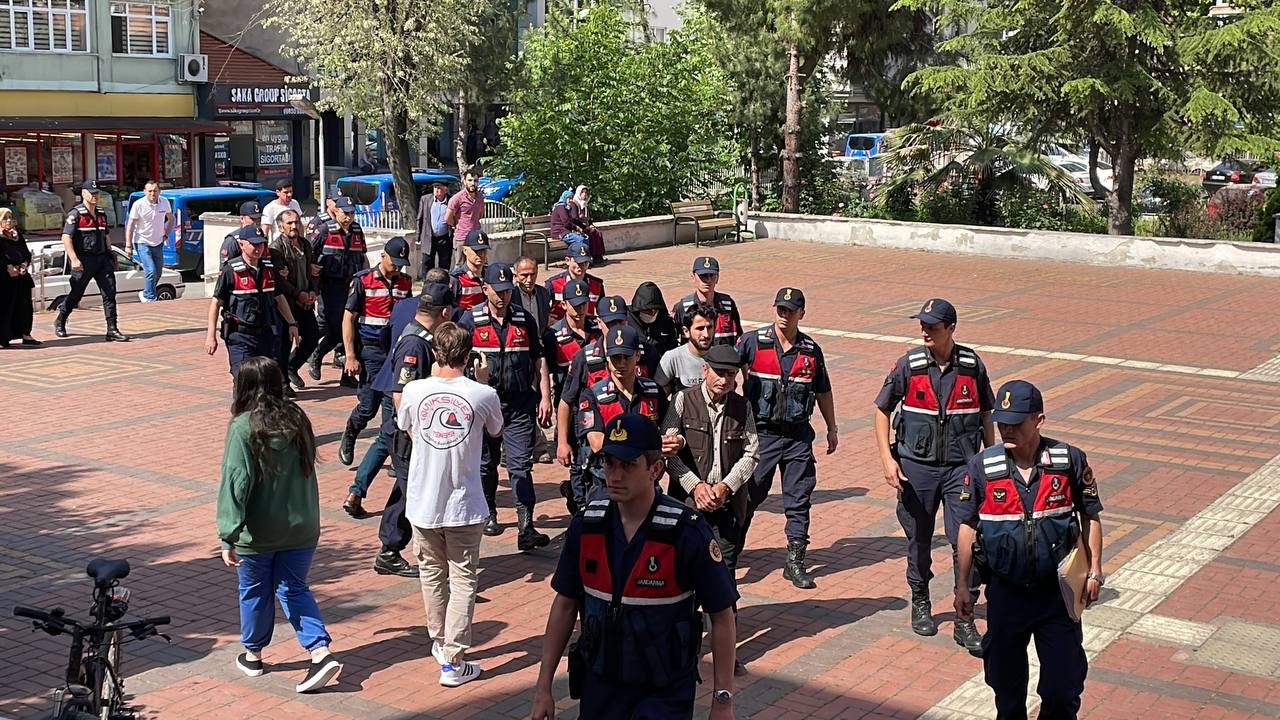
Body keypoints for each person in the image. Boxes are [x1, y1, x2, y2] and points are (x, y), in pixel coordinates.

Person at [530, 413, 738, 720]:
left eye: (627, 465)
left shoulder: (686, 532)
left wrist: (722, 701)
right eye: (609, 463)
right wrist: (543, 686)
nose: (614, 476)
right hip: (600, 689)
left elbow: (721, 617)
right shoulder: (587, 526)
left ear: (655, 469)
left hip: (663, 695)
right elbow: (565, 604)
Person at [953, 380, 1105, 720]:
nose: (1006, 429)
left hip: (1057, 596)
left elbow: (1090, 516)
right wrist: (963, 584)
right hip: (1006, 594)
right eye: (1002, 423)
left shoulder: (1068, 461)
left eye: (1015, 423)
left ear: (1039, 420)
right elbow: (967, 526)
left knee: (1063, 686)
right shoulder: (982, 467)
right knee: (1006, 688)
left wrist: (1095, 570)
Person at [215, 356, 343, 693]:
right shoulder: (297, 418)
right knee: (294, 588)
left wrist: (228, 534)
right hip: (302, 526)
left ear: (242, 386)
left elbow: (235, 483)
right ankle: (319, 650)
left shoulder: (243, 427)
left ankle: (253, 655)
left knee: (254, 590)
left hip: (258, 532)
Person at [873, 298, 993, 654]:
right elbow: (881, 410)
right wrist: (887, 460)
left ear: (951, 328)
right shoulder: (908, 365)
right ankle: (920, 598)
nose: (925, 331)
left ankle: (964, 618)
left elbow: (986, 413)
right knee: (919, 538)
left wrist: (991, 460)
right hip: (917, 469)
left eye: (933, 326)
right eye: (922, 324)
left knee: (966, 542)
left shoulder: (971, 365)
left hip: (961, 469)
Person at [399, 321, 504, 687]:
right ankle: (453, 658)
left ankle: (441, 643)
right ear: (469, 355)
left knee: (431, 574)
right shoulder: (482, 394)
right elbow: (496, 430)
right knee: (462, 578)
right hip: (464, 504)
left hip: (424, 502)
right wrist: (484, 380)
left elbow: (406, 425)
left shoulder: (414, 390)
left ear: (435, 353)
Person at [661, 345, 757, 676]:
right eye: (719, 373)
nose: (725, 380)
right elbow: (668, 452)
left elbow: (752, 453)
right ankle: (682, 651)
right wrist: (695, 486)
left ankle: (726, 654)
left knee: (724, 581)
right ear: (705, 371)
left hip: (727, 509)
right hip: (687, 508)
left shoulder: (743, 407)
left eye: (731, 374)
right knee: (682, 579)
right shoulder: (681, 401)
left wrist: (725, 487)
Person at [737, 287, 837, 590]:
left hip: (797, 437)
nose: (784, 315)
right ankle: (731, 549)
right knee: (749, 495)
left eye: (790, 311)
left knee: (799, 499)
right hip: (762, 435)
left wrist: (832, 427)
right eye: (780, 309)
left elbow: (823, 390)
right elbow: (726, 370)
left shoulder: (811, 350)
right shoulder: (753, 342)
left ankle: (795, 561)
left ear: (801, 314)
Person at [363, 283, 457, 578]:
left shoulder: (422, 337)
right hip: (408, 436)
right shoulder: (415, 344)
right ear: (445, 312)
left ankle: (389, 549)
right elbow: (401, 394)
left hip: (412, 433)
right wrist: (416, 434)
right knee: (417, 495)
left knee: (405, 493)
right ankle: (420, 558)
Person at [458, 263, 553, 548]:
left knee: (520, 465)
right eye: (497, 291)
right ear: (485, 288)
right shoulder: (470, 319)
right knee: (486, 464)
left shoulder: (524, 319)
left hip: (519, 404)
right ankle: (490, 513)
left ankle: (526, 527)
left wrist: (545, 396)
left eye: (507, 291)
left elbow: (539, 358)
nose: (503, 297)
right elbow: (456, 361)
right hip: (484, 406)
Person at [346, 270, 452, 518]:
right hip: (404, 391)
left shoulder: (404, 306)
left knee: (386, 439)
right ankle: (362, 496)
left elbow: (385, 338)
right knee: (393, 442)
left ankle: (357, 491)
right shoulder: (430, 322)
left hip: (391, 378)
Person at [336, 237, 414, 466]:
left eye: (401, 264)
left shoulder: (405, 282)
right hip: (371, 351)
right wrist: (350, 356)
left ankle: (394, 455)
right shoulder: (363, 280)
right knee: (368, 406)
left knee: (394, 406)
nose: (397, 268)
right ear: (382, 256)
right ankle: (351, 432)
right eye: (394, 262)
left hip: (395, 351)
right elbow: (348, 319)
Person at [578, 325, 666, 499]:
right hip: (607, 484)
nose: (621, 364)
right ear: (607, 357)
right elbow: (596, 442)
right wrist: (646, 443)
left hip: (645, 483)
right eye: (616, 358)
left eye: (627, 357)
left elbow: (667, 428)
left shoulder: (653, 391)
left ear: (637, 355)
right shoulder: (592, 395)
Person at [205, 226, 299, 377]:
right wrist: (211, 336)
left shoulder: (269, 269)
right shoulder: (231, 270)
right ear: (242, 244)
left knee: (266, 379)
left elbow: (279, 297)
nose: (258, 248)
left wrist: (292, 323)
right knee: (243, 378)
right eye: (253, 244)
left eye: (261, 244)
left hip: (266, 335)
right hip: (240, 335)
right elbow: (216, 303)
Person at [545, 278, 601, 512]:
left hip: (597, 407)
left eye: (583, 304)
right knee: (577, 463)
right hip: (571, 407)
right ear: (564, 305)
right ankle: (578, 504)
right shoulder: (553, 335)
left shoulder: (598, 329)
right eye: (574, 305)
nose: (579, 310)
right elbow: (545, 369)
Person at [53, 180, 128, 342]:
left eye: (97, 193)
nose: (95, 196)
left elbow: (105, 235)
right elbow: (66, 237)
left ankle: (112, 329)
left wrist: (111, 254)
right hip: (84, 260)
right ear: (83, 194)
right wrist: (74, 259)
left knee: (109, 293)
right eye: (92, 193)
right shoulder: (76, 214)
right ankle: (61, 318)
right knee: (76, 294)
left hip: (102, 259)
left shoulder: (101, 213)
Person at [307, 196, 368, 383]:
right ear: (336, 211)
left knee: (352, 329)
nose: (348, 217)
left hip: (351, 285)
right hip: (330, 286)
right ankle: (316, 354)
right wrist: (311, 268)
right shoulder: (325, 229)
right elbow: (308, 252)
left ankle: (347, 376)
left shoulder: (357, 230)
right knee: (337, 329)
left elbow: (363, 256)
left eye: (352, 213)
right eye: (345, 213)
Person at [269, 210, 321, 393]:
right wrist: (298, 294)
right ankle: (283, 383)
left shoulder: (305, 244)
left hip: (305, 302)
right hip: (287, 303)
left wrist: (313, 290)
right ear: (281, 227)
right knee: (285, 343)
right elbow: (279, 281)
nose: (294, 226)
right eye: (289, 223)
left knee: (312, 337)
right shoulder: (276, 249)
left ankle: (292, 366)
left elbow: (313, 270)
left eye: (296, 222)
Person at [672, 256, 742, 347]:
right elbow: (674, 341)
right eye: (703, 276)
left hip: (722, 355)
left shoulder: (728, 304)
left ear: (717, 278)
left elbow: (739, 336)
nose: (708, 280)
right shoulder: (683, 307)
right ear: (693, 277)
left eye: (712, 275)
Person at [123, 180, 173, 303]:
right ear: (144, 192)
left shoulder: (164, 202)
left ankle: (146, 292)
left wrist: (166, 234)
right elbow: (130, 225)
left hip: (158, 242)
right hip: (142, 242)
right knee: (150, 270)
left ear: (159, 192)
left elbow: (171, 219)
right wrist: (128, 245)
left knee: (158, 272)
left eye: (155, 191)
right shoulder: (138, 205)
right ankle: (150, 298)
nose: (152, 194)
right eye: (149, 191)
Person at [656, 301, 716, 396]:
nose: (706, 334)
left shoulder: (720, 357)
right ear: (686, 331)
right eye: (700, 328)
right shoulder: (673, 358)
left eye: (710, 327)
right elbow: (657, 395)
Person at [0, 208, 36, 348]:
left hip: (21, 278)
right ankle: (3, 338)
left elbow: (26, 253)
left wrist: (24, 264)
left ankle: (26, 334)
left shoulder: (16, 235)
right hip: (4, 278)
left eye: (10, 217)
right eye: (5, 218)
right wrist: (7, 266)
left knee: (24, 307)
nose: (9, 221)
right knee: (5, 308)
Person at [544, 243, 604, 323]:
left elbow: (603, 311)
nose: (582, 265)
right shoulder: (553, 283)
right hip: (559, 326)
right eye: (578, 262)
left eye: (585, 262)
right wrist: (547, 319)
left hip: (586, 326)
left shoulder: (597, 284)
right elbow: (541, 306)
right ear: (567, 261)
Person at [628, 281, 678, 358]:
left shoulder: (667, 322)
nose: (652, 313)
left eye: (655, 310)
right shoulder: (628, 318)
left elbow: (673, 349)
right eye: (648, 310)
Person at [446, 168, 484, 264]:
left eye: (475, 181)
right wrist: (457, 225)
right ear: (464, 181)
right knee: (460, 266)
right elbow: (447, 218)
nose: (472, 183)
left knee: (476, 264)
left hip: (476, 237)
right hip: (461, 238)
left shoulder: (480, 197)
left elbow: (480, 214)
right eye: (470, 180)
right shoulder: (457, 198)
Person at [415, 182, 452, 276]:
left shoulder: (451, 200)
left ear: (445, 190)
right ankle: (426, 282)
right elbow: (420, 218)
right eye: (435, 187)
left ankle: (443, 281)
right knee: (427, 262)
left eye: (439, 187)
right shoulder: (425, 199)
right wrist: (418, 236)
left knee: (444, 263)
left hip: (445, 238)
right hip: (428, 237)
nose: (436, 189)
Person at [449, 230, 489, 313]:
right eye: (476, 251)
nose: (481, 254)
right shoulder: (457, 278)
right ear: (465, 251)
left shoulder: (490, 275)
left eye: (483, 250)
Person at [219, 200, 265, 266]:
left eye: (259, 219)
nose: (257, 222)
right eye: (253, 219)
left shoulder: (261, 236)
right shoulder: (232, 240)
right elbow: (225, 267)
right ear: (242, 219)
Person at [568, 185, 605, 263]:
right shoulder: (574, 204)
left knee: (598, 233)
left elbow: (589, 218)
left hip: (586, 226)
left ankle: (598, 256)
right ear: (578, 193)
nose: (584, 194)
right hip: (578, 228)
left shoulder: (585, 205)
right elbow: (575, 219)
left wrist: (591, 225)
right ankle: (590, 256)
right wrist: (585, 227)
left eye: (586, 193)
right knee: (589, 235)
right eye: (582, 192)